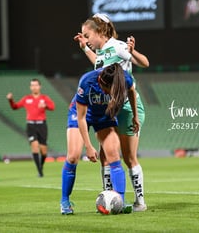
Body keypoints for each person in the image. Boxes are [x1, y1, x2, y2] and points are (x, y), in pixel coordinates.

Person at [74, 13, 149, 211]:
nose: (86, 39)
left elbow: (144, 63)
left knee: (128, 157)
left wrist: (132, 52)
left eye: (87, 36)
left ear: (100, 32)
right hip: (109, 109)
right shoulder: (103, 53)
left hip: (126, 108)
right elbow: (100, 64)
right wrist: (84, 48)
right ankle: (110, 197)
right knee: (106, 154)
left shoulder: (118, 46)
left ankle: (140, 201)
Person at [60, 63, 140, 215]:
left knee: (114, 155)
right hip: (81, 114)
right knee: (73, 156)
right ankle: (65, 201)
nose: (109, 93)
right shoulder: (87, 82)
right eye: (108, 90)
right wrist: (88, 146)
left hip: (104, 116)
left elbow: (131, 91)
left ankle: (120, 201)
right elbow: (82, 118)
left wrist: (135, 116)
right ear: (102, 82)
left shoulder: (124, 79)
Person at [6, 78, 55, 177]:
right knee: (34, 146)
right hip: (31, 125)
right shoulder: (26, 98)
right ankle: (40, 172)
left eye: (36, 85)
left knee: (43, 150)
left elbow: (52, 107)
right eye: (32, 85)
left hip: (42, 125)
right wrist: (10, 100)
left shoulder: (44, 98)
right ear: (30, 87)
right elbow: (15, 107)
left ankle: (41, 166)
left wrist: (45, 105)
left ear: (40, 86)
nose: (34, 87)